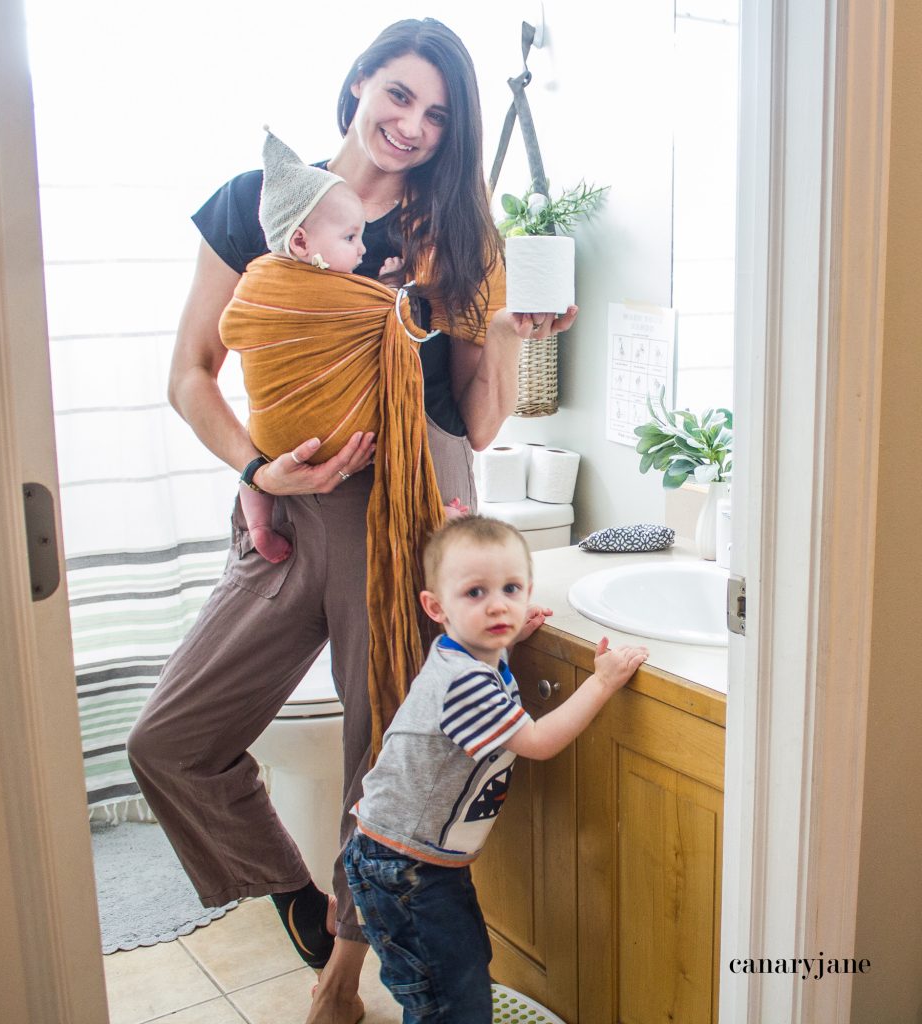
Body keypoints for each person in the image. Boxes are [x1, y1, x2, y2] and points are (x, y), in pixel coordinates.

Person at [127, 19, 578, 1024]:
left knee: (382, 758)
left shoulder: (455, 234)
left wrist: (503, 328)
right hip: (289, 508)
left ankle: (338, 984)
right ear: (360, 81)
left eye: (437, 114)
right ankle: (300, 897)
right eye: (400, 94)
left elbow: (472, 415)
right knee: (169, 739)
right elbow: (191, 372)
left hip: (413, 513)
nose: (412, 125)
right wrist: (252, 465)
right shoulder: (257, 203)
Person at [344, 516, 649, 1022]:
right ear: (436, 607)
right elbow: (537, 741)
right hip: (405, 869)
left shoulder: (472, 655)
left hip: (417, 861)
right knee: (448, 999)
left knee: (458, 975)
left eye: (511, 589)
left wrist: (511, 640)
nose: (497, 605)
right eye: (475, 593)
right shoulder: (463, 681)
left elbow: (491, 661)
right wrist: (602, 683)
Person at [234, 127, 406, 565]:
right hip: (298, 441)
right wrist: (391, 291)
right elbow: (397, 317)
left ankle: (259, 523)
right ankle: (255, 523)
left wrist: (383, 289)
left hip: (274, 440)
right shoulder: (278, 281)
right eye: (350, 238)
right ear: (301, 242)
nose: (363, 249)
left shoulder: (264, 278)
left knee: (253, 467)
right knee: (254, 468)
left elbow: (237, 320)